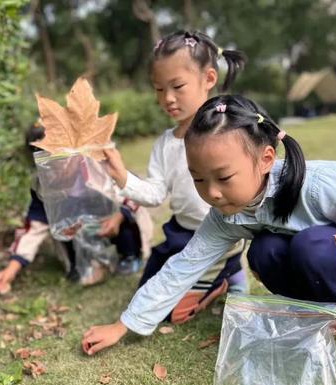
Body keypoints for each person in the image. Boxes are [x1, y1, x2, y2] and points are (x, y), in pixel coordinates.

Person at [83, 94, 336, 385]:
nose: (212, 193)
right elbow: (182, 267)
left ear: (266, 159)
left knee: (314, 248)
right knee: (264, 252)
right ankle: (316, 330)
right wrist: (124, 324)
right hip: (330, 264)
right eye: (199, 179)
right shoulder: (226, 214)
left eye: (224, 177)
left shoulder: (319, 185)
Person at [102, 30, 249, 325]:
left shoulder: (229, 132)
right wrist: (121, 177)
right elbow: (156, 194)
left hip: (219, 237)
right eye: (158, 89)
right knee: (144, 296)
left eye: (177, 86)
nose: (167, 98)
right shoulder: (165, 144)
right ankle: (226, 274)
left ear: (209, 79)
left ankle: (228, 274)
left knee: (173, 313)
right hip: (181, 235)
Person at [0, 123, 152, 293]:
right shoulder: (43, 187)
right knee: (61, 225)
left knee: (126, 222)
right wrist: (11, 270)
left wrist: (119, 217)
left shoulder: (98, 165)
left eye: (58, 157)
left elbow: (134, 191)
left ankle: (130, 254)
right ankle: (83, 264)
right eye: (45, 162)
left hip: (114, 220)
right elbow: (34, 227)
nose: (54, 169)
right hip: (83, 229)